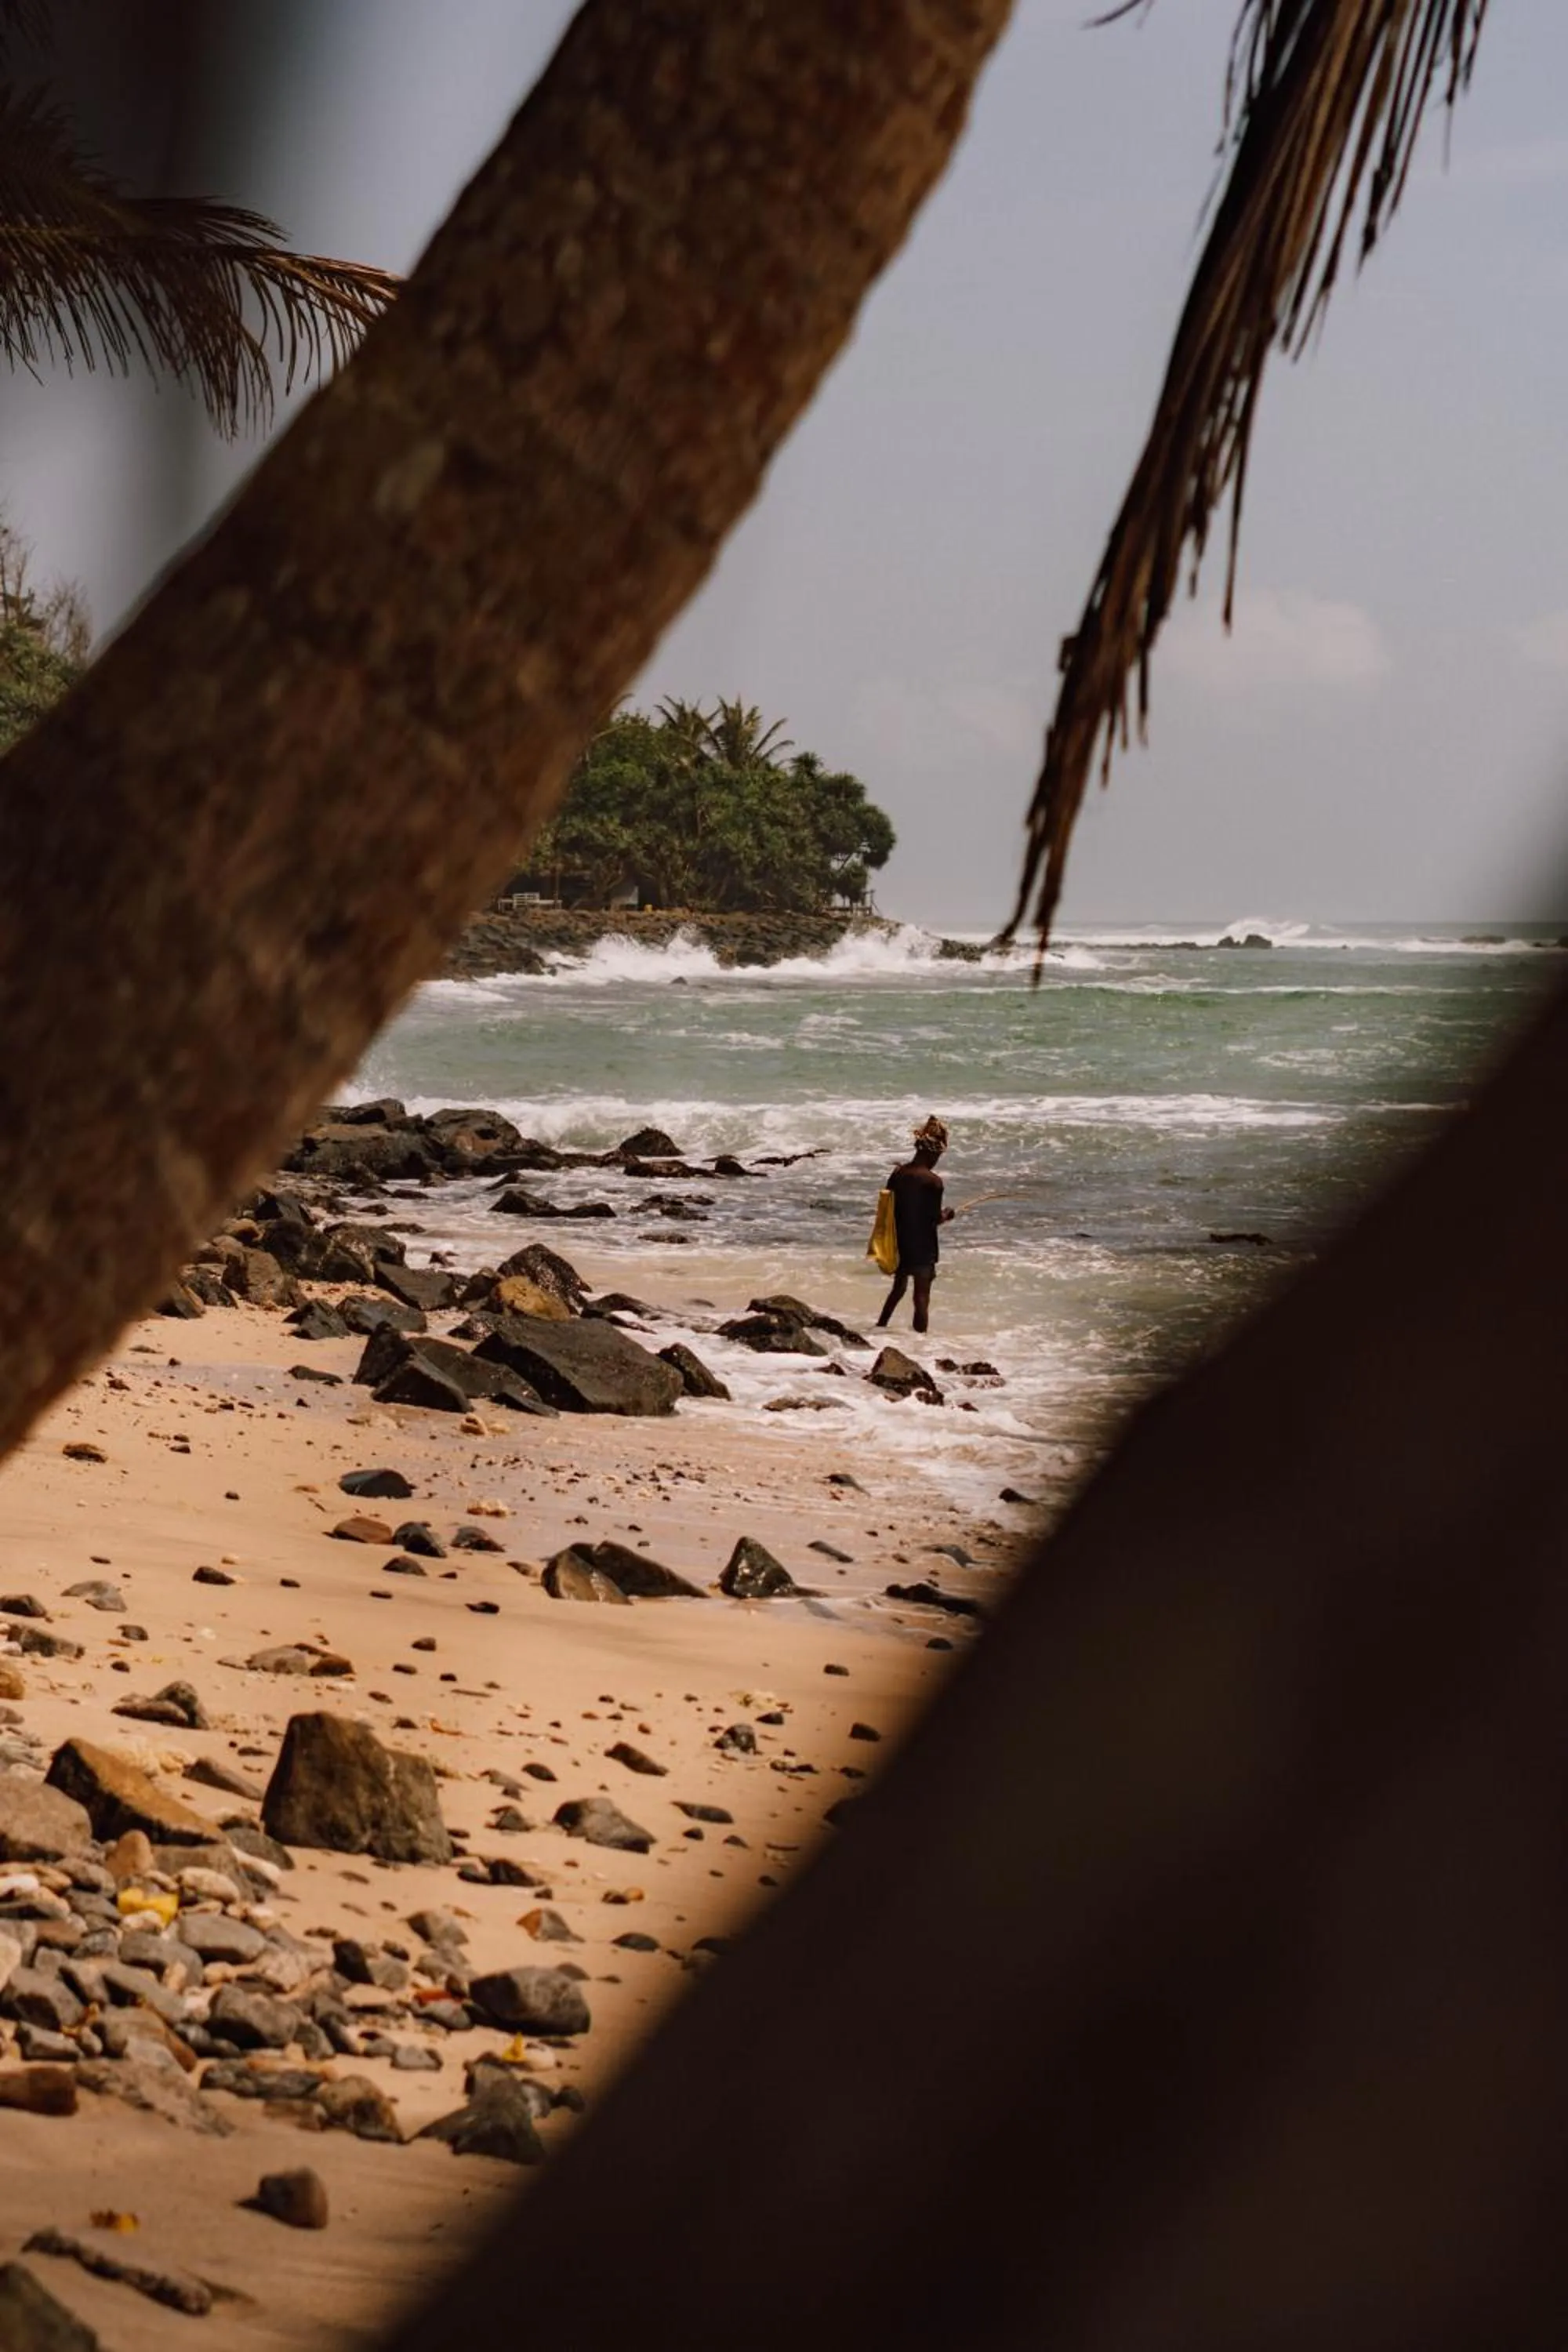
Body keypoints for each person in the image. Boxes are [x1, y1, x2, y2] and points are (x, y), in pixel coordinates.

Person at [876, 1115, 954, 1335]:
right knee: (921, 1298)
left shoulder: (898, 1174)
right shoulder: (933, 1182)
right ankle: (921, 1343)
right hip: (923, 1248)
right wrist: (947, 1215)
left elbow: (889, 1209)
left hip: (899, 1242)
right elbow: (933, 1219)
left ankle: (880, 1327)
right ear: (932, 1152)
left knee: (897, 1290)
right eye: (938, 1155)